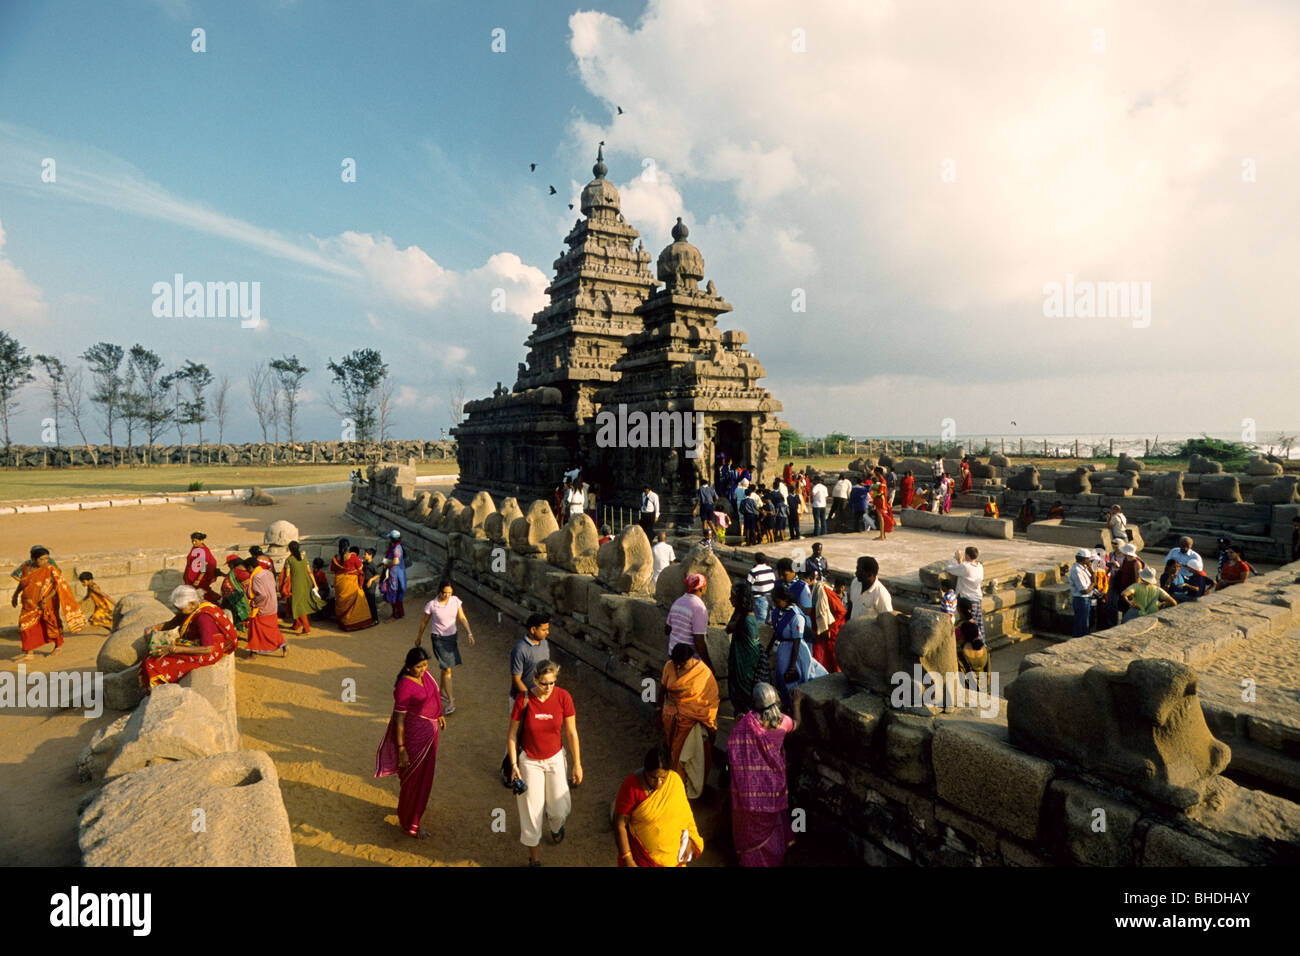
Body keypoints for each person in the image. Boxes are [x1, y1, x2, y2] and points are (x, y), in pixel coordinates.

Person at [507, 660, 582, 866]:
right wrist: (514, 764)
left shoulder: (563, 697)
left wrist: (577, 763)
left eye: (552, 683)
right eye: (543, 683)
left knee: (559, 809)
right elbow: (512, 735)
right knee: (532, 813)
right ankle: (534, 860)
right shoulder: (524, 699)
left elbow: (571, 732)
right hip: (530, 762)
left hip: (555, 759)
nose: (548, 688)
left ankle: (556, 826)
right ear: (535, 680)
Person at [374, 646, 446, 838]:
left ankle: (414, 812)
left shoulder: (426, 676)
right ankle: (409, 823)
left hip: (430, 737)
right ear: (408, 667)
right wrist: (402, 749)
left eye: (424, 665)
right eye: (418, 667)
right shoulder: (404, 687)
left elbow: (433, 694)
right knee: (413, 781)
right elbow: (399, 722)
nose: (423, 669)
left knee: (425, 778)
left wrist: (438, 715)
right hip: (413, 741)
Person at [729, 683, 801, 867]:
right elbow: (797, 725)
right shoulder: (782, 722)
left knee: (750, 826)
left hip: (750, 792)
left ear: (755, 703)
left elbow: (733, 745)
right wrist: (797, 703)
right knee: (775, 819)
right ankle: (775, 856)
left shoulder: (747, 724)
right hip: (773, 787)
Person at [614, 745, 703, 867]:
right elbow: (619, 824)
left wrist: (690, 841)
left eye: (663, 778)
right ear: (646, 770)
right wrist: (627, 858)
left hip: (674, 860)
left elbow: (684, 816)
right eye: (653, 777)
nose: (658, 783)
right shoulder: (631, 786)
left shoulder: (674, 781)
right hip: (642, 860)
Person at [140, 584, 238, 689]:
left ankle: (159, 689)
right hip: (197, 644)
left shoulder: (203, 618)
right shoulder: (193, 608)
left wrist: (175, 649)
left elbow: (208, 648)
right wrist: (154, 628)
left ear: (192, 603)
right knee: (151, 657)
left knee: (154, 664)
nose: (178, 612)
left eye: (180, 609)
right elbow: (173, 623)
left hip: (207, 651)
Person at [658, 642, 719, 799]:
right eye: (676, 663)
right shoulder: (669, 666)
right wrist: (658, 710)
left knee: (687, 757)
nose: (677, 667)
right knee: (673, 752)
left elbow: (710, 701)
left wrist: (704, 719)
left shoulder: (703, 673)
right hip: (671, 718)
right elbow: (663, 689)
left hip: (694, 721)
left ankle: (684, 787)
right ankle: (674, 783)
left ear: (691, 659)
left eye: (681, 664)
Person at [415, 578, 475, 715]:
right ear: (439, 591)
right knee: (447, 669)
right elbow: (424, 623)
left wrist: (469, 633)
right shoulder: (431, 605)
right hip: (438, 639)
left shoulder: (455, 601)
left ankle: (441, 692)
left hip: (452, 638)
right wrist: (418, 637)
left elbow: (462, 617)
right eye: (444, 593)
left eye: (449, 592)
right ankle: (451, 702)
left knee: (444, 667)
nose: (447, 595)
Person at [12, 547, 84, 661]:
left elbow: (56, 586)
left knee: (51, 622)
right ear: (33, 559)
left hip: (47, 602)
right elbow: (23, 582)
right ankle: (29, 653)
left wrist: (46, 599)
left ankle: (58, 646)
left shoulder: (50, 569)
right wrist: (15, 594)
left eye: (47, 558)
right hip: (29, 603)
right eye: (42, 559)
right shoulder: (26, 568)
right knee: (24, 625)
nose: (45, 561)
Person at [771, 585, 826, 710]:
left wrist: (792, 665)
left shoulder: (796, 615)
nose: (775, 604)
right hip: (783, 650)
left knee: (798, 679)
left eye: (777, 601)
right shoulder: (780, 612)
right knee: (783, 681)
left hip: (796, 652)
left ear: (784, 599)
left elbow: (797, 641)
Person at [725, 580, 771, 715]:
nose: (730, 599)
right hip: (737, 660)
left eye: (733, 597)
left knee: (745, 694)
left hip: (746, 664)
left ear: (740, 599)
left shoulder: (748, 620)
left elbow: (752, 646)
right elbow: (728, 629)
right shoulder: (738, 613)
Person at [665, 574, 713, 671]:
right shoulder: (699, 608)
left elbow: (667, 629)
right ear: (702, 588)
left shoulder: (678, 602)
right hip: (688, 660)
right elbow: (699, 641)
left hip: (672, 654)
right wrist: (709, 666)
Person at [242, 555, 285, 657]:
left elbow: (262, 594)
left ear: (250, 568)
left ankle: (253, 653)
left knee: (254, 629)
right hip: (273, 605)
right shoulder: (268, 573)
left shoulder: (256, 577)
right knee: (272, 628)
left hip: (262, 607)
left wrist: (254, 603)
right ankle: (283, 645)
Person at [278, 541, 325, 634]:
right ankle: (296, 625)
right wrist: (315, 585)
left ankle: (306, 628)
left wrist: (283, 584)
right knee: (300, 603)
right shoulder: (304, 557)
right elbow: (310, 572)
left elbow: (287, 575)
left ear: (290, 549)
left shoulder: (289, 560)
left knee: (297, 606)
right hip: (306, 583)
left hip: (296, 585)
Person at [328, 541, 371, 631]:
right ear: (348, 547)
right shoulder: (353, 557)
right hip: (351, 582)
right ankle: (352, 623)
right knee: (356, 602)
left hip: (340, 583)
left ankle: (343, 622)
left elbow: (332, 570)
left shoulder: (336, 558)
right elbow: (360, 568)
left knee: (341, 601)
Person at [510, 613, 551, 703]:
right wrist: (530, 699)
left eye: (547, 629)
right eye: (544, 630)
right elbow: (516, 680)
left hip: (541, 698)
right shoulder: (520, 650)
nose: (547, 632)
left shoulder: (544, 643)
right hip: (522, 700)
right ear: (533, 630)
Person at [184, 531, 221, 604]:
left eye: (195, 541)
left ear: (201, 541)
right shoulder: (195, 548)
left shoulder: (203, 551)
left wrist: (198, 579)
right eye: (192, 541)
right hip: (193, 575)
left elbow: (204, 566)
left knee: (203, 592)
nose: (193, 543)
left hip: (200, 577)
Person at [220, 554, 251, 632]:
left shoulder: (236, 571)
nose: (228, 566)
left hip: (233, 595)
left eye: (229, 564)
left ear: (233, 563)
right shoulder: (245, 568)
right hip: (241, 594)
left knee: (235, 611)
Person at [1067, 548, 1095, 638]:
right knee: (1081, 624)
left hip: (1086, 599)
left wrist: (1090, 569)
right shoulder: (1076, 570)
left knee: (1085, 623)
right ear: (1084, 559)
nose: (1090, 561)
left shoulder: (1084, 568)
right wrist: (1093, 584)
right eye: (1089, 560)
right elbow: (1084, 591)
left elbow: (1092, 578)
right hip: (1081, 600)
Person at [382, 531, 407, 619]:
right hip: (399, 574)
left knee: (393, 593)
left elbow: (396, 561)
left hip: (394, 575)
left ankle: (395, 614)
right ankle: (400, 612)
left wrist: (387, 565)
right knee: (398, 593)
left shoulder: (396, 548)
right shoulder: (398, 547)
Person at [747, 553, 775, 625]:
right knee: (769, 620)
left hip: (759, 598)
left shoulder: (753, 571)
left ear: (755, 561)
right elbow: (773, 581)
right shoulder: (770, 569)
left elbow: (747, 585)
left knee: (760, 621)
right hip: (770, 597)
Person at [871, 468, 894, 540]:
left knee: (881, 518)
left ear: (877, 472)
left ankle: (882, 536)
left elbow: (881, 492)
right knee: (881, 518)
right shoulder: (881, 480)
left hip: (880, 501)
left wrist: (874, 491)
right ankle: (882, 535)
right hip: (879, 500)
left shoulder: (882, 481)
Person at [362, 547, 382, 624]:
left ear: (370, 555)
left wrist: (371, 580)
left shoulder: (372, 565)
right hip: (365, 585)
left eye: (365, 554)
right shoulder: (365, 563)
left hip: (370, 586)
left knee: (371, 602)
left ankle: (375, 619)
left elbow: (378, 574)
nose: (364, 556)